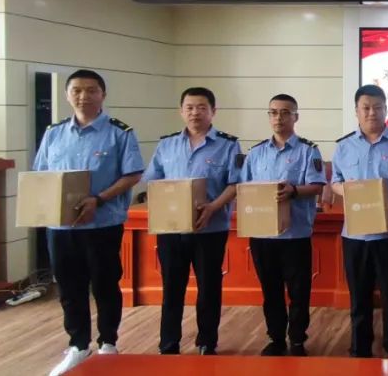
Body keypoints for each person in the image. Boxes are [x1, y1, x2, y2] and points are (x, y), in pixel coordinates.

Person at [36, 69, 144, 376]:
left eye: (91, 90)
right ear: (67, 95)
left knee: (105, 283)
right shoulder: (54, 133)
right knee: (69, 286)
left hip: (102, 224)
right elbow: (41, 174)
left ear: (102, 95)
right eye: (77, 90)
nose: (84, 96)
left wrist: (99, 198)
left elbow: (133, 174)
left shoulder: (119, 132)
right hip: (62, 227)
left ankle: (108, 342)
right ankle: (78, 345)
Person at [142, 87, 241, 355]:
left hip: (210, 228)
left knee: (209, 287)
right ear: (181, 111)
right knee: (172, 287)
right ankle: (169, 343)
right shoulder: (166, 145)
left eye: (201, 107)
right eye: (189, 107)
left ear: (213, 111)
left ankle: (207, 342)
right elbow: (152, 181)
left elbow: (235, 184)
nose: (195, 112)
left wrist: (213, 207)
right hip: (171, 229)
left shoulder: (229, 145)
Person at [330, 85, 388, 359]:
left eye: (377, 107)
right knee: (359, 297)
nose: (372, 112)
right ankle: (360, 348)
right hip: (355, 237)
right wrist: (349, 192)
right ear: (356, 111)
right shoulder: (344, 146)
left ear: (385, 110)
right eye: (366, 108)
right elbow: (335, 182)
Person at [241, 94, 326, 357]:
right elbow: (244, 188)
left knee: (299, 291)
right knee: (271, 291)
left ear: (295, 117)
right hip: (262, 235)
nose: (279, 117)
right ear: (269, 116)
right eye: (274, 112)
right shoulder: (256, 153)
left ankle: (297, 339)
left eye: (285, 112)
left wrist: (293, 190)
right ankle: (276, 338)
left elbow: (317, 186)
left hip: (295, 235)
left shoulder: (308, 150)